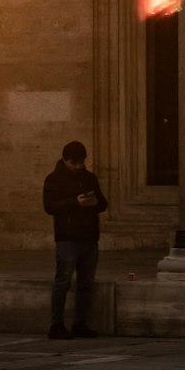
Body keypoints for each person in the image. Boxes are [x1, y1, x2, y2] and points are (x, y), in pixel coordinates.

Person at [42, 140, 108, 339]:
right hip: (68, 239)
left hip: (89, 237)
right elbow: (50, 207)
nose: (78, 166)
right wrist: (75, 202)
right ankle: (56, 324)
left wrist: (96, 202)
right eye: (74, 163)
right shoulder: (53, 179)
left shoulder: (89, 178)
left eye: (81, 162)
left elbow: (103, 203)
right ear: (65, 160)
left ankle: (81, 323)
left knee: (86, 283)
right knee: (63, 281)